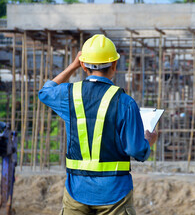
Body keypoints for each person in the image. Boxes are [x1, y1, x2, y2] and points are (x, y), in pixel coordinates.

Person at [39, 34, 158, 215]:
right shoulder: (125, 102)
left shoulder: (69, 95)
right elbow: (137, 151)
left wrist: (72, 66)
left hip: (76, 190)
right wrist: (148, 141)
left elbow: (46, 92)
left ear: (84, 65)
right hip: (115, 194)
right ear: (115, 65)